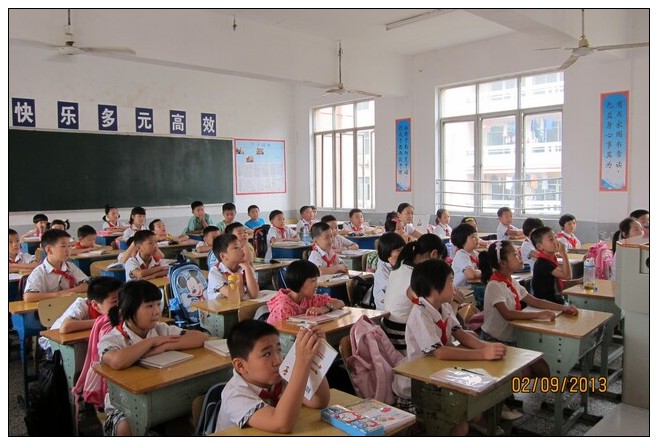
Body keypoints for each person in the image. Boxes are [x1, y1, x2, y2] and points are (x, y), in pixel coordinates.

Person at [392, 259, 507, 435]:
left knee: (477, 402)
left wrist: (488, 347)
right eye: (451, 281)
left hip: (440, 374)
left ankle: (478, 420)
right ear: (434, 287)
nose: (454, 286)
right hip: (418, 386)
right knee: (461, 424)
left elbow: (459, 333)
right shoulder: (420, 314)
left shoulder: (443, 307)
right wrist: (483, 354)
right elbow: (439, 352)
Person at [478, 241, 577, 420]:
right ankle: (497, 402)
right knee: (528, 372)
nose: (520, 256)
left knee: (543, 368)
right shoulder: (494, 285)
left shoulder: (510, 282)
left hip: (513, 339)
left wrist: (564, 308)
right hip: (493, 342)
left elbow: (534, 300)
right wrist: (539, 315)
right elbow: (507, 314)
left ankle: (511, 396)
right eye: (515, 254)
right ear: (503, 263)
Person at [99, 280, 208, 436]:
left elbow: (200, 337)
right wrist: (151, 342)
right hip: (125, 406)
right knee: (125, 428)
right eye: (149, 306)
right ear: (128, 310)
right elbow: (117, 361)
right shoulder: (113, 339)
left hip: (163, 398)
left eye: (158, 304)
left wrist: (165, 346)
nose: (157, 311)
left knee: (189, 422)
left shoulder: (161, 329)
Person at [214, 319, 330, 433]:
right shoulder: (235, 395)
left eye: (279, 350)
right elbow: (281, 424)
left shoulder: (278, 378)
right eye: (267, 354)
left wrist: (315, 355)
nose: (278, 361)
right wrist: (302, 362)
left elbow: (318, 401)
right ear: (240, 366)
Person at [383, 233, 446, 353]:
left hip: (389, 330)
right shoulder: (417, 276)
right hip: (401, 339)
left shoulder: (401, 266)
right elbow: (431, 307)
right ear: (434, 254)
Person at [38, 276, 121, 355]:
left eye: (121, 300)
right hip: (53, 345)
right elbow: (65, 327)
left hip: (77, 345)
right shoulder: (81, 305)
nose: (119, 305)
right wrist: (101, 321)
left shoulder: (109, 308)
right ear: (95, 305)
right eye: (115, 302)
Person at [266, 260, 345, 324]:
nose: (316, 285)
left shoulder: (310, 298)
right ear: (299, 282)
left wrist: (324, 308)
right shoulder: (283, 307)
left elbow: (340, 303)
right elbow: (285, 334)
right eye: (313, 281)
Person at [23, 229, 89, 302]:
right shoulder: (39, 272)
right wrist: (58, 295)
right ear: (49, 250)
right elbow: (28, 296)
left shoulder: (70, 266)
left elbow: (86, 285)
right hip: (50, 307)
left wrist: (67, 292)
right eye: (63, 246)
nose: (68, 250)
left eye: (69, 246)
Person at [207, 233, 259, 300]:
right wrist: (238, 276)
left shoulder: (244, 267)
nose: (241, 250)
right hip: (219, 306)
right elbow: (236, 296)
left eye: (241, 246)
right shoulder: (215, 272)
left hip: (240, 305)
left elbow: (254, 295)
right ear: (223, 256)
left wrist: (247, 267)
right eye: (236, 247)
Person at [531, 226, 571, 304]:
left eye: (555, 237)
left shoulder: (551, 259)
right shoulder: (542, 263)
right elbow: (567, 276)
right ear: (539, 246)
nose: (556, 241)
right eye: (551, 239)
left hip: (554, 301)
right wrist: (564, 254)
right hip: (547, 304)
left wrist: (580, 281)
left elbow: (559, 284)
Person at [373, 232, 405, 311]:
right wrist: (396, 268)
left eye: (403, 249)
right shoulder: (382, 271)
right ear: (387, 252)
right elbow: (394, 294)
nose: (403, 253)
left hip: (399, 309)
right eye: (398, 250)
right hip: (385, 312)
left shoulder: (402, 265)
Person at [450, 223, 481, 287]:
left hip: (471, 288)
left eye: (476, 235)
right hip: (460, 290)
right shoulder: (461, 255)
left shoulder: (475, 254)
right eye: (473, 236)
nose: (477, 238)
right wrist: (486, 272)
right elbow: (471, 274)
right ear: (462, 240)